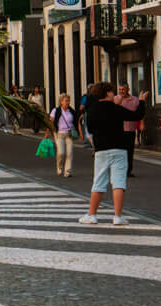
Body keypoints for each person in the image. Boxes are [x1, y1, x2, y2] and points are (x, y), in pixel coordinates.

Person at [80, 81, 133, 225]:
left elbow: (89, 128)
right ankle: (117, 216)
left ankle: (92, 214)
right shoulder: (116, 108)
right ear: (107, 93)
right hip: (119, 149)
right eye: (112, 91)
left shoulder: (92, 111)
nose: (114, 94)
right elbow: (136, 115)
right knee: (118, 183)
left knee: (98, 182)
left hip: (101, 150)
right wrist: (141, 101)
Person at [50, 93, 81, 178]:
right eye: (66, 101)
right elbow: (51, 122)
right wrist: (47, 133)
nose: (68, 102)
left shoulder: (71, 111)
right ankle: (59, 168)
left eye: (68, 101)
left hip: (69, 134)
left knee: (70, 153)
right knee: (61, 152)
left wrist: (79, 132)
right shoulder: (56, 110)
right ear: (61, 102)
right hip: (59, 134)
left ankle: (67, 171)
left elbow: (76, 121)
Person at [118, 85, 144, 177]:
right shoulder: (116, 100)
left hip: (131, 130)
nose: (121, 91)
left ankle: (128, 171)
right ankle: (121, 170)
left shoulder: (135, 100)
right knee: (121, 151)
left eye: (123, 89)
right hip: (120, 131)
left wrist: (142, 123)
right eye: (120, 89)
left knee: (129, 151)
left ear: (128, 89)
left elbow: (140, 113)